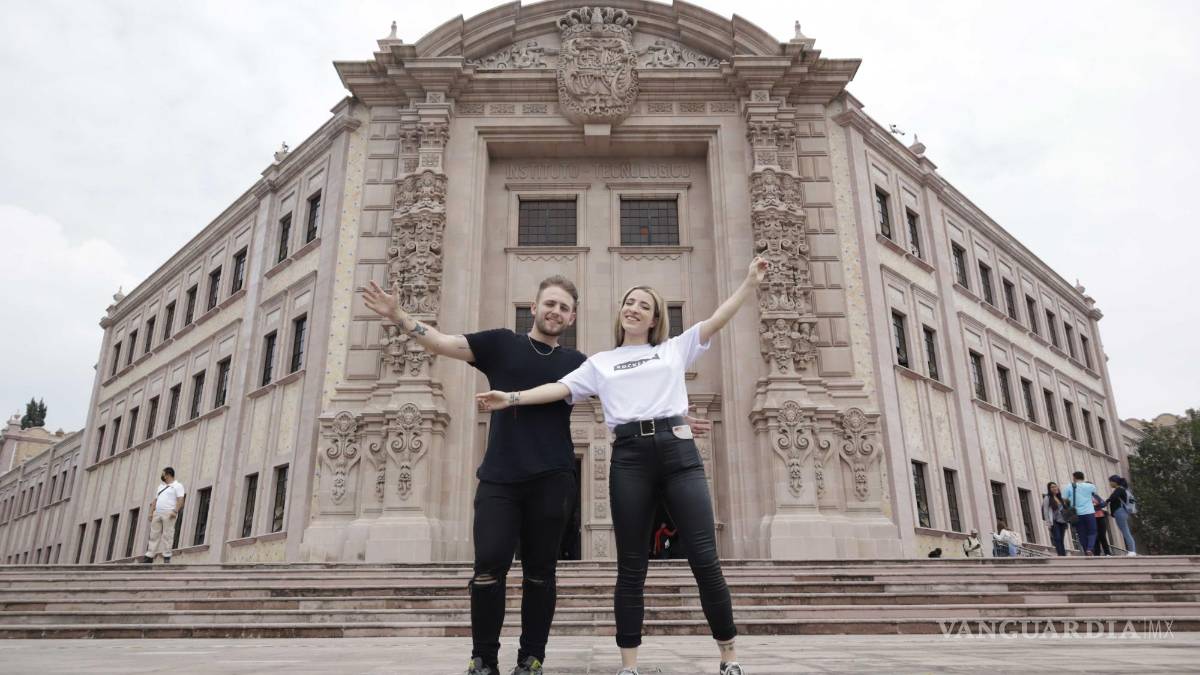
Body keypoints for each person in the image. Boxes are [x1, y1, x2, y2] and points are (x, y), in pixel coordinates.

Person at [362, 275, 709, 675]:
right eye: (550, 304)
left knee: (541, 574)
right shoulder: (500, 344)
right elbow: (441, 342)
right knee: (488, 568)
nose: (555, 312)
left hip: (553, 479)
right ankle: (483, 659)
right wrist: (398, 315)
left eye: (564, 308)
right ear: (534, 307)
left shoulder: (578, 363)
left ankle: (531, 658)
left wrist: (674, 418)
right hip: (499, 479)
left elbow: (630, 392)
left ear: (572, 317)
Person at [476, 256, 769, 675]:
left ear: (655, 319)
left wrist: (749, 283)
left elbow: (718, 319)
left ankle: (729, 656)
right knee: (631, 566)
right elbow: (557, 388)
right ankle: (629, 665)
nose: (634, 309)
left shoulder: (673, 348)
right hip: (630, 457)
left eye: (644, 306)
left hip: (679, 453)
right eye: (629, 302)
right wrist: (512, 397)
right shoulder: (600, 363)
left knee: (705, 558)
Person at [141, 467, 185, 564]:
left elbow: (181, 499)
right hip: (157, 513)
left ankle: (167, 556)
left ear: (168, 475)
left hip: (169, 513)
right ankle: (149, 556)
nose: (162, 476)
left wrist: (175, 511)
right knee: (153, 534)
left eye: (163, 474)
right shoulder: (160, 487)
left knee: (167, 535)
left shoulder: (178, 486)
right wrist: (151, 512)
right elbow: (155, 500)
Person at [1063, 471, 1098, 555]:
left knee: (1081, 533)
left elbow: (1064, 499)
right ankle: (1090, 548)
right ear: (1083, 477)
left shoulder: (1069, 486)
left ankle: (1086, 551)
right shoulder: (1090, 486)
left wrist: (1071, 502)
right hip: (1089, 512)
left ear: (1074, 478)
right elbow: (1094, 494)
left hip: (1076, 514)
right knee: (1092, 531)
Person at [1107, 475, 1137, 556]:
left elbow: (1112, 498)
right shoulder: (1122, 489)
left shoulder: (1119, 489)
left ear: (1115, 482)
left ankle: (1132, 551)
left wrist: (1106, 501)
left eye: (1110, 481)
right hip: (1122, 512)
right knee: (1125, 531)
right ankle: (1132, 550)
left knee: (1125, 531)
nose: (1110, 483)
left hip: (1120, 512)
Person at [1042, 482, 1069, 556]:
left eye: (1055, 486)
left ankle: (1063, 555)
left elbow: (1064, 510)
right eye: (1052, 487)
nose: (1054, 488)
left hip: (1063, 521)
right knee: (1057, 538)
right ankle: (1060, 555)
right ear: (1049, 489)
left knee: (1061, 539)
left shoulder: (1060, 498)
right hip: (1054, 521)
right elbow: (1045, 511)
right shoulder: (1047, 498)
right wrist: (1048, 523)